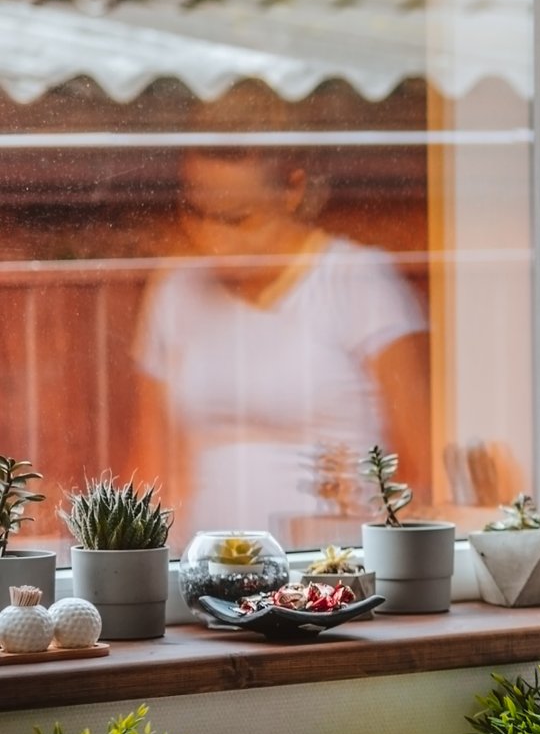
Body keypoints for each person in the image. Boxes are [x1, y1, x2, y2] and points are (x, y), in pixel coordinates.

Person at [130, 86, 430, 540]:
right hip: (203, 576)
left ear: (292, 188)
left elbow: (420, 462)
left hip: (330, 577)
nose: (214, 238)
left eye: (237, 218)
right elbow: (148, 467)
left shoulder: (356, 280)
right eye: (198, 211)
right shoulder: (175, 290)